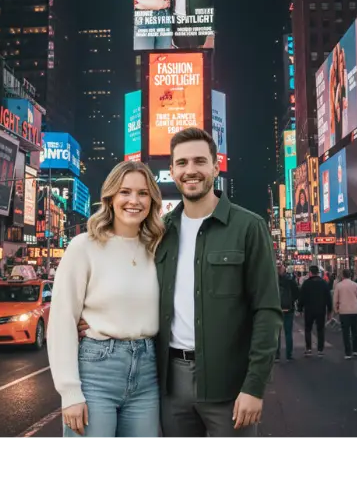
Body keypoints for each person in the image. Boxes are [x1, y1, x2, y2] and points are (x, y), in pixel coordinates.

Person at [78, 127, 280, 444]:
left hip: (229, 384)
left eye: (200, 161)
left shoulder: (249, 227)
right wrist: (96, 318)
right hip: (170, 385)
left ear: (216, 166)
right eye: (182, 163)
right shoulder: (160, 233)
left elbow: (267, 311)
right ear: (172, 171)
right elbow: (132, 282)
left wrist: (254, 387)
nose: (190, 170)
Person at [48, 160, 163, 444]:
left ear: (152, 200)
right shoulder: (84, 246)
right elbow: (62, 319)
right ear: (110, 198)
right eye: (125, 192)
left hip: (148, 372)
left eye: (143, 193)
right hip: (96, 372)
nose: (134, 200)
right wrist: (70, 392)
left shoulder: (159, 247)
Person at [299, 265, 332, 356]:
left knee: (308, 329)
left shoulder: (306, 283)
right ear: (318, 272)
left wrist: (300, 308)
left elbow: (302, 297)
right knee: (320, 329)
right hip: (321, 309)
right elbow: (328, 298)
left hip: (309, 309)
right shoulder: (323, 283)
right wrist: (329, 310)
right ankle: (320, 350)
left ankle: (308, 349)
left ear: (310, 272)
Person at [333, 268, 357, 359]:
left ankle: (348, 353)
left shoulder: (339, 286)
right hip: (355, 310)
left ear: (342, 276)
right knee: (355, 331)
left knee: (346, 332)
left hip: (344, 311)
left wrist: (336, 309)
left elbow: (335, 299)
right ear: (350, 275)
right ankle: (356, 351)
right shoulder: (356, 285)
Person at [276, 264, 299, 361]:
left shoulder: (273, 281)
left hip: (276, 309)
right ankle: (289, 355)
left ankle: (276, 355)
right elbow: (297, 293)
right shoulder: (290, 280)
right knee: (288, 332)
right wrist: (292, 301)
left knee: (276, 334)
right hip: (288, 308)